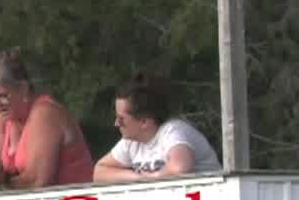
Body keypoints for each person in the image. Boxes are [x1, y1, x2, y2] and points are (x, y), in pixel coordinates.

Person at [0, 50, 95, 190]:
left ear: (23, 88)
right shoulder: (2, 114)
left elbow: (36, 182)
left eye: (2, 96)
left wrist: (2, 179)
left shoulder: (45, 113)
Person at [93, 72, 222, 180]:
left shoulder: (173, 131)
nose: (116, 124)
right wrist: (137, 178)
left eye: (121, 119)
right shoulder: (131, 141)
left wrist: (153, 178)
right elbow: (99, 172)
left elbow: (180, 168)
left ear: (144, 122)